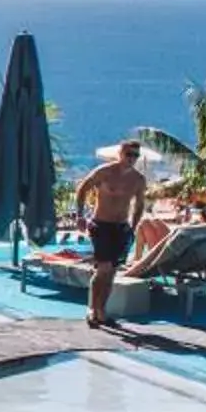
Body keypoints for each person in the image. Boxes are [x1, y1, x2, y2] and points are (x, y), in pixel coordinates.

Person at [72, 140, 152, 327]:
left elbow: (139, 205)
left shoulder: (138, 179)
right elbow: (82, 189)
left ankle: (102, 310)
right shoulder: (104, 172)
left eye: (136, 155)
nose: (132, 159)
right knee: (104, 268)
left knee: (112, 272)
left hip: (121, 227)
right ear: (120, 153)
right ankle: (91, 308)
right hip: (101, 225)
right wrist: (80, 215)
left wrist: (133, 227)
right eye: (129, 154)